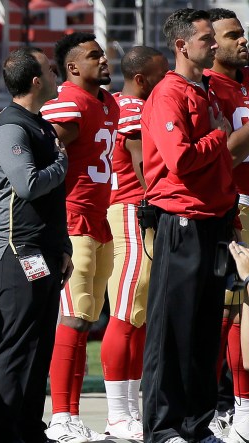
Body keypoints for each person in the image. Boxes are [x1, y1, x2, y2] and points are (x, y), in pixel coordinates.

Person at [141, 8, 236, 443]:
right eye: (206, 39)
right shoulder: (168, 94)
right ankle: (162, 428)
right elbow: (180, 160)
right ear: (182, 46)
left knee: (202, 331)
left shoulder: (207, 90)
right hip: (182, 222)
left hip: (213, 221)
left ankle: (197, 425)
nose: (214, 44)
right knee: (171, 330)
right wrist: (217, 137)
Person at [0, 46, 71, 443]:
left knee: (40, 343)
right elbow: (29, 184)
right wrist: (61, 164)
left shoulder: (40, 124)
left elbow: (52, 199)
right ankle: (5, 434)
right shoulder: (12, 127)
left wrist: (64, 246)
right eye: (53, 71)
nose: (58, 76)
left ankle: (30, 429)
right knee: (17, 344)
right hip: (18, 249)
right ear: (37, 81)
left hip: (44, 248)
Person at [40, 32, 119, 443]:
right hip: (72, 220)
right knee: (72, 316)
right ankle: (61, 416)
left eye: (102, 53)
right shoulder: (69, 101)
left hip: (99, 217)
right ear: (72, 68)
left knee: (86, 317)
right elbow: (43, 154)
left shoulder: (107, 102)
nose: (104, 60)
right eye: (94, 56)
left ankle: (70, 415)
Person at [100, 46, 168, 440]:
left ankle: (128, 411)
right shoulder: (133, 109)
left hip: (133, 210)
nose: (168, 80)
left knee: (138, 313)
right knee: (127, 312)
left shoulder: (116, 105)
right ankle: (116, 414)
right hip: (130, 209)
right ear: (141, 78)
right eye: (161, 74)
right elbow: (146, 170)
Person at [204, 8, 249, 441]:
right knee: (231, 310)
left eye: (242, 34)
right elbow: (223, 156)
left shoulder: (245, 82)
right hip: (233, 206)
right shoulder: (208, 89)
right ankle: (224, 405)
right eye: (233, 35)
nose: (243, 41)